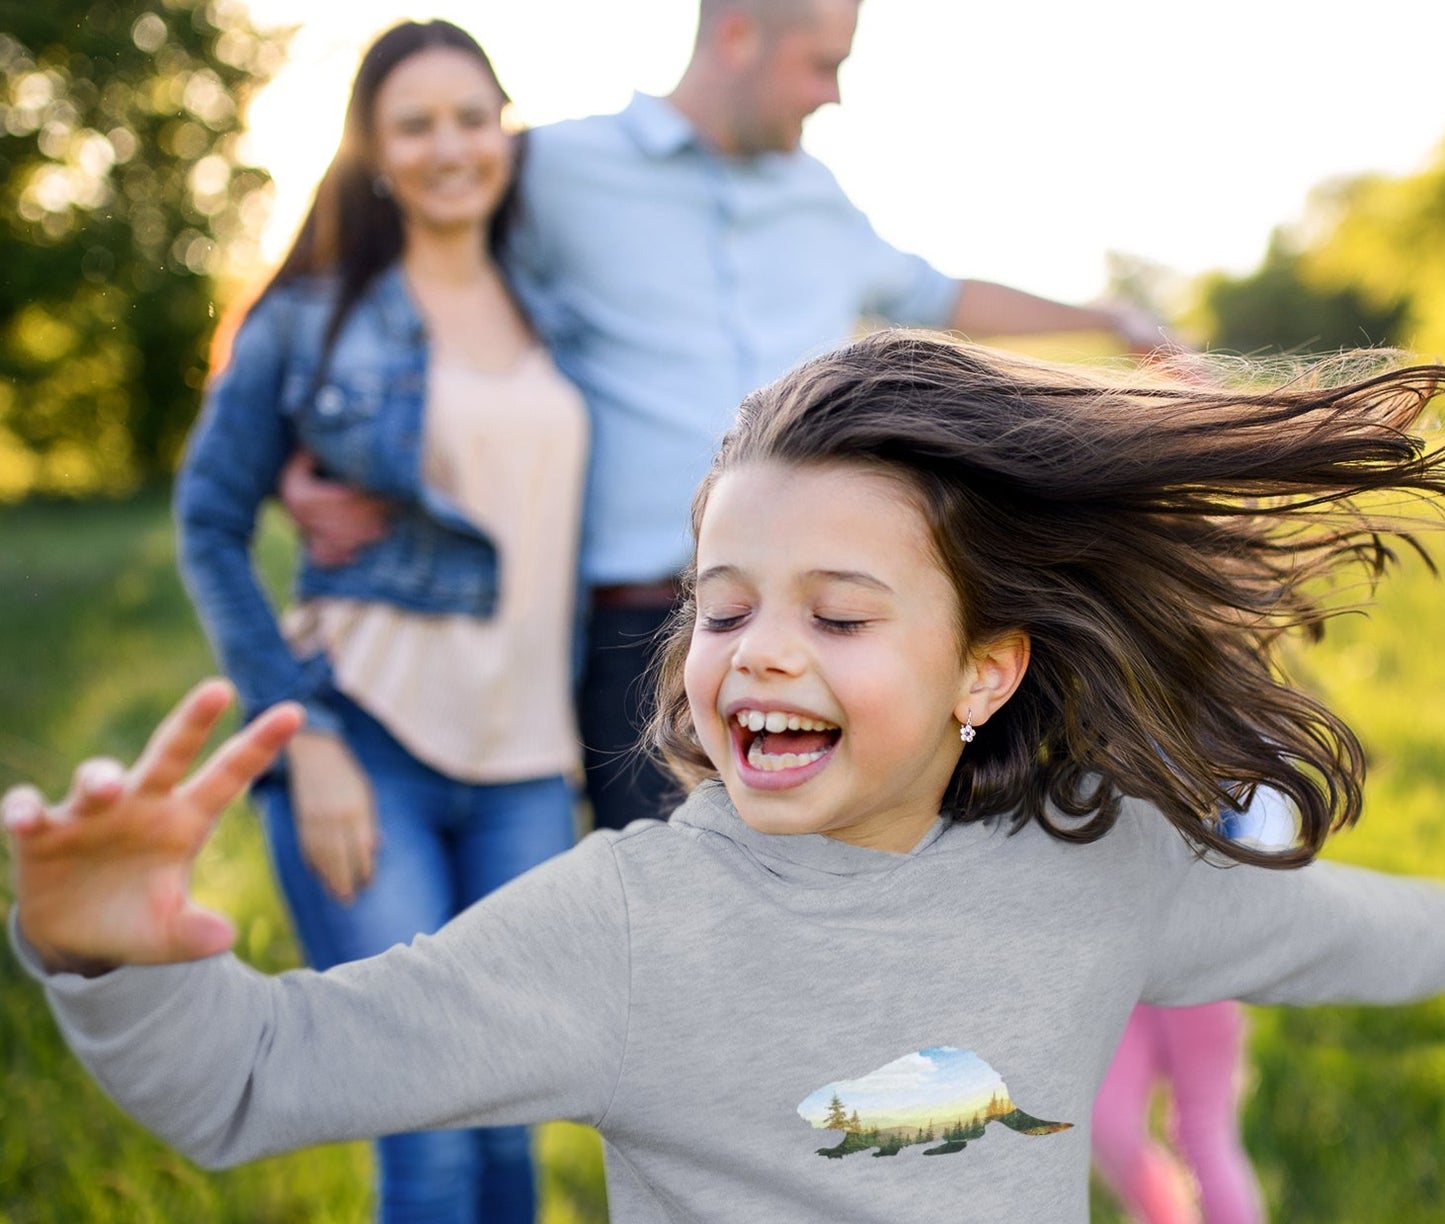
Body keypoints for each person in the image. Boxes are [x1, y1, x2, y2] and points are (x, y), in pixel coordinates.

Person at [13, 333, 1445, 1224]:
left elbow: (1358, 931)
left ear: (984, 670)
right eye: (721, 603)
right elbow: (255, 1077)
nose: (756, 650)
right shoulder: (628, 930)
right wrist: (115, 961)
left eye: (835, 613)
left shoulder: (1097, 869)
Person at [281, 0, 1176, 832]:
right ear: (738, 36)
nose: (832, 94)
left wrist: (1113, 321)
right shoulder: (555, 167)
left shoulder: (818, 199)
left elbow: (938, 291)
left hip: (829, 620)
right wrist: (302, 449)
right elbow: (387, 254)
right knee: (680, 929)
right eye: (820, 64)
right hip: (638, 634)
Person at [172, 20, 587, 1224]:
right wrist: (305, 737)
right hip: (369, 751)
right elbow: (210, 524)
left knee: (510, 1108)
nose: (450, 145)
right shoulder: (312, 320)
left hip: (531, 765)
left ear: (503, 128)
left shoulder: (555, 305)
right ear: (371, 145)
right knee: (424, 1122)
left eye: (472, 116)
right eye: (414, 122)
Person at [1092, 789, 1299, 1224]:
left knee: (1202, 1133)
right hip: (1126, 960)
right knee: (1106, 1121)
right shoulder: (1106, 710)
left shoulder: (1229, 732)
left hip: (1201, 964)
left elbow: (1271, 832)